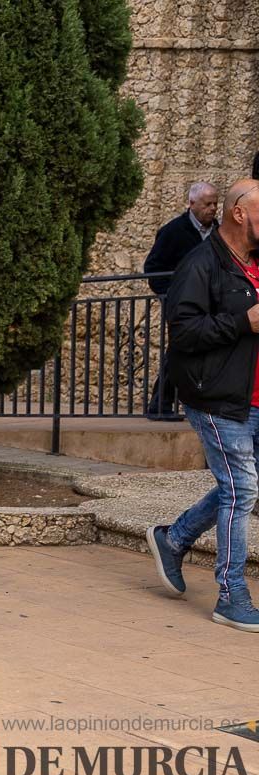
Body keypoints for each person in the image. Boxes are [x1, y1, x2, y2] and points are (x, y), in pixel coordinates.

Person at [146, 177, 259, 633]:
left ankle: (174, 540)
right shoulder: (200, 264)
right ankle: (231, 595)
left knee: (242, 485)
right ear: (240, 214)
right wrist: (242, 321)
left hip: (252, 398)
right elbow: (186, 333)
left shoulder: (255, 262)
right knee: (242, 490)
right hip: (215, 397)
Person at [142, 181, 219, 419]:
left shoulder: (217, 232)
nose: (213, 208)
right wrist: (171, 297)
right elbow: (153, 268)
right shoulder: (174, 231)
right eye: (207, 204)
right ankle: (160, 405)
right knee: (179, 351)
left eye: (215, 203)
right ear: (192, 203)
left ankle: (203, 404)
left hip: (210, 303)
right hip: (182, 304)